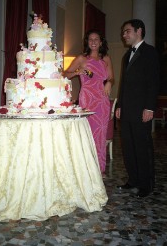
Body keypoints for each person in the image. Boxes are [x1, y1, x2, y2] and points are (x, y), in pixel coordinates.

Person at [116, 19, 160, 198]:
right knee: (128, 146)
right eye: (123, 32)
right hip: (127, 109)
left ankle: (146, 184)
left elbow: (154, 82)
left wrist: (149, 107)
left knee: (143, 147)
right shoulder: (127, 56)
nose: (124, 35)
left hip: (142, 109)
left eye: (127, 31)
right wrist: (119, 105)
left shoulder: (150, 52)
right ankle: (133, 180)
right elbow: (123, 84)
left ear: (139, 31)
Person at [64, 29, 114, 176]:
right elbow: (65, 73)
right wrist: (76, 72)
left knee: (100, 134)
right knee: (87, 133)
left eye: (96, 39)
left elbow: (112, 78)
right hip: (87, 99)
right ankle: (86, 168)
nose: (93, 42)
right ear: (87, 42)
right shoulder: (82, 58)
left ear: (100, 42)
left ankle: (99, 169)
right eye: (90, 39)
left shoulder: (106, 59)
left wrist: (109, 83)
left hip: (102, 100)